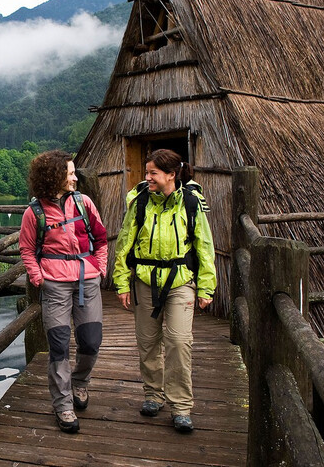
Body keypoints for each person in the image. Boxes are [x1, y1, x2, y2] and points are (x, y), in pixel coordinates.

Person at [113, 148, 216, 433]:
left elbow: (204, 247)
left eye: (153, 174)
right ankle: (153, 395)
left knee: (179, 343)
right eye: (147, 173)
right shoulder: (141, 202)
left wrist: (206, 286)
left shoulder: (191, 203)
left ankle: (181, 407)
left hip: (180, 281)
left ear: (171, 175)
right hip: (145, 281)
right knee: (148, 343)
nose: (147, 178)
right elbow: (124, 244)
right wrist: (122, 282)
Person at [19, 150, 108, 434]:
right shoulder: (34, 213)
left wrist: (101, 267)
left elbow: (101, 237)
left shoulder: (84, 203)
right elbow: (26, 248)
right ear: (54, 176)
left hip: (87, 280)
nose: (74, 177)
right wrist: (37, 276)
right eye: (70, 172)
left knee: (91, 342)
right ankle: (63, 405)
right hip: (54, 285)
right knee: (58, 347)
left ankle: (80, 383)